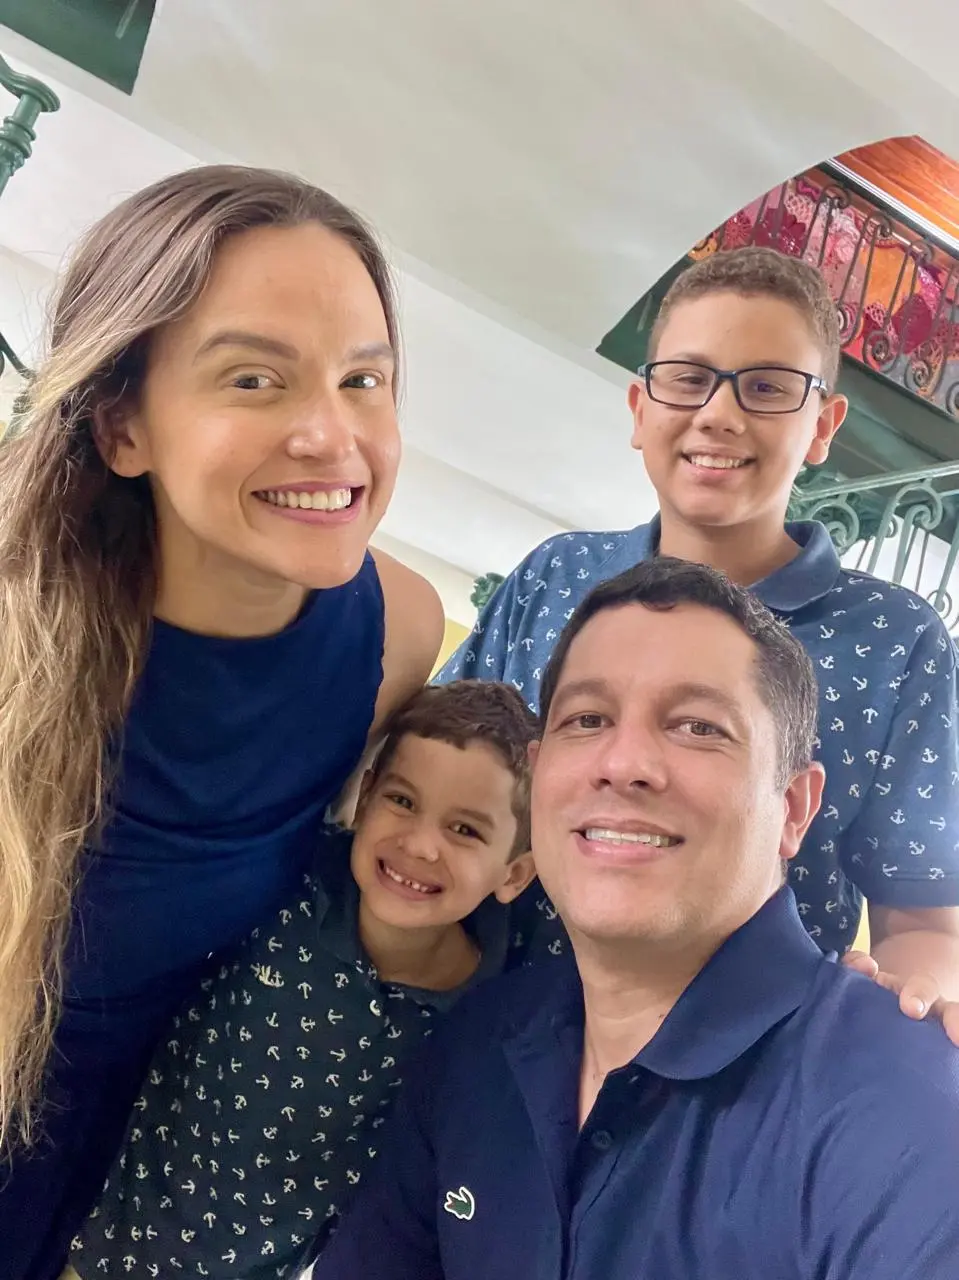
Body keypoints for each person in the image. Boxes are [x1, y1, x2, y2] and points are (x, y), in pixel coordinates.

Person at [0, 165, 444, 1280]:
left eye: (363, 380)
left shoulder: (398, 627)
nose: (328, 436)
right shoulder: (18, 629)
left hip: (149, 1168)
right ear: (120, 428)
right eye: (254, 379)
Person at [317, 558, 959, 1280]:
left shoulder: (903, 1105)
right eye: (586, 720)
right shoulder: (477, 1045)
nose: (622, 764)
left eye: (696, 727)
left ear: (794, 807)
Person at [438, 246, 959, 1027]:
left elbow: (920, 913)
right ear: (639, 409)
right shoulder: (553, 577)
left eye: (767, 387)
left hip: (728, 1078)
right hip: (482, 1033)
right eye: (687, 378)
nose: (719, 413)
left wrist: (908, 1002)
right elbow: (438, 766)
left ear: (822, 426)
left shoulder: (894, 642)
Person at [71, 680, 536, 1279]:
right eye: (402, 800)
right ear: (365, 796)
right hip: (96, 1232)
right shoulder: (289, 876)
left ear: (515, 874)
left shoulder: (486, 1016)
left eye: (465, 830)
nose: (420, 845)